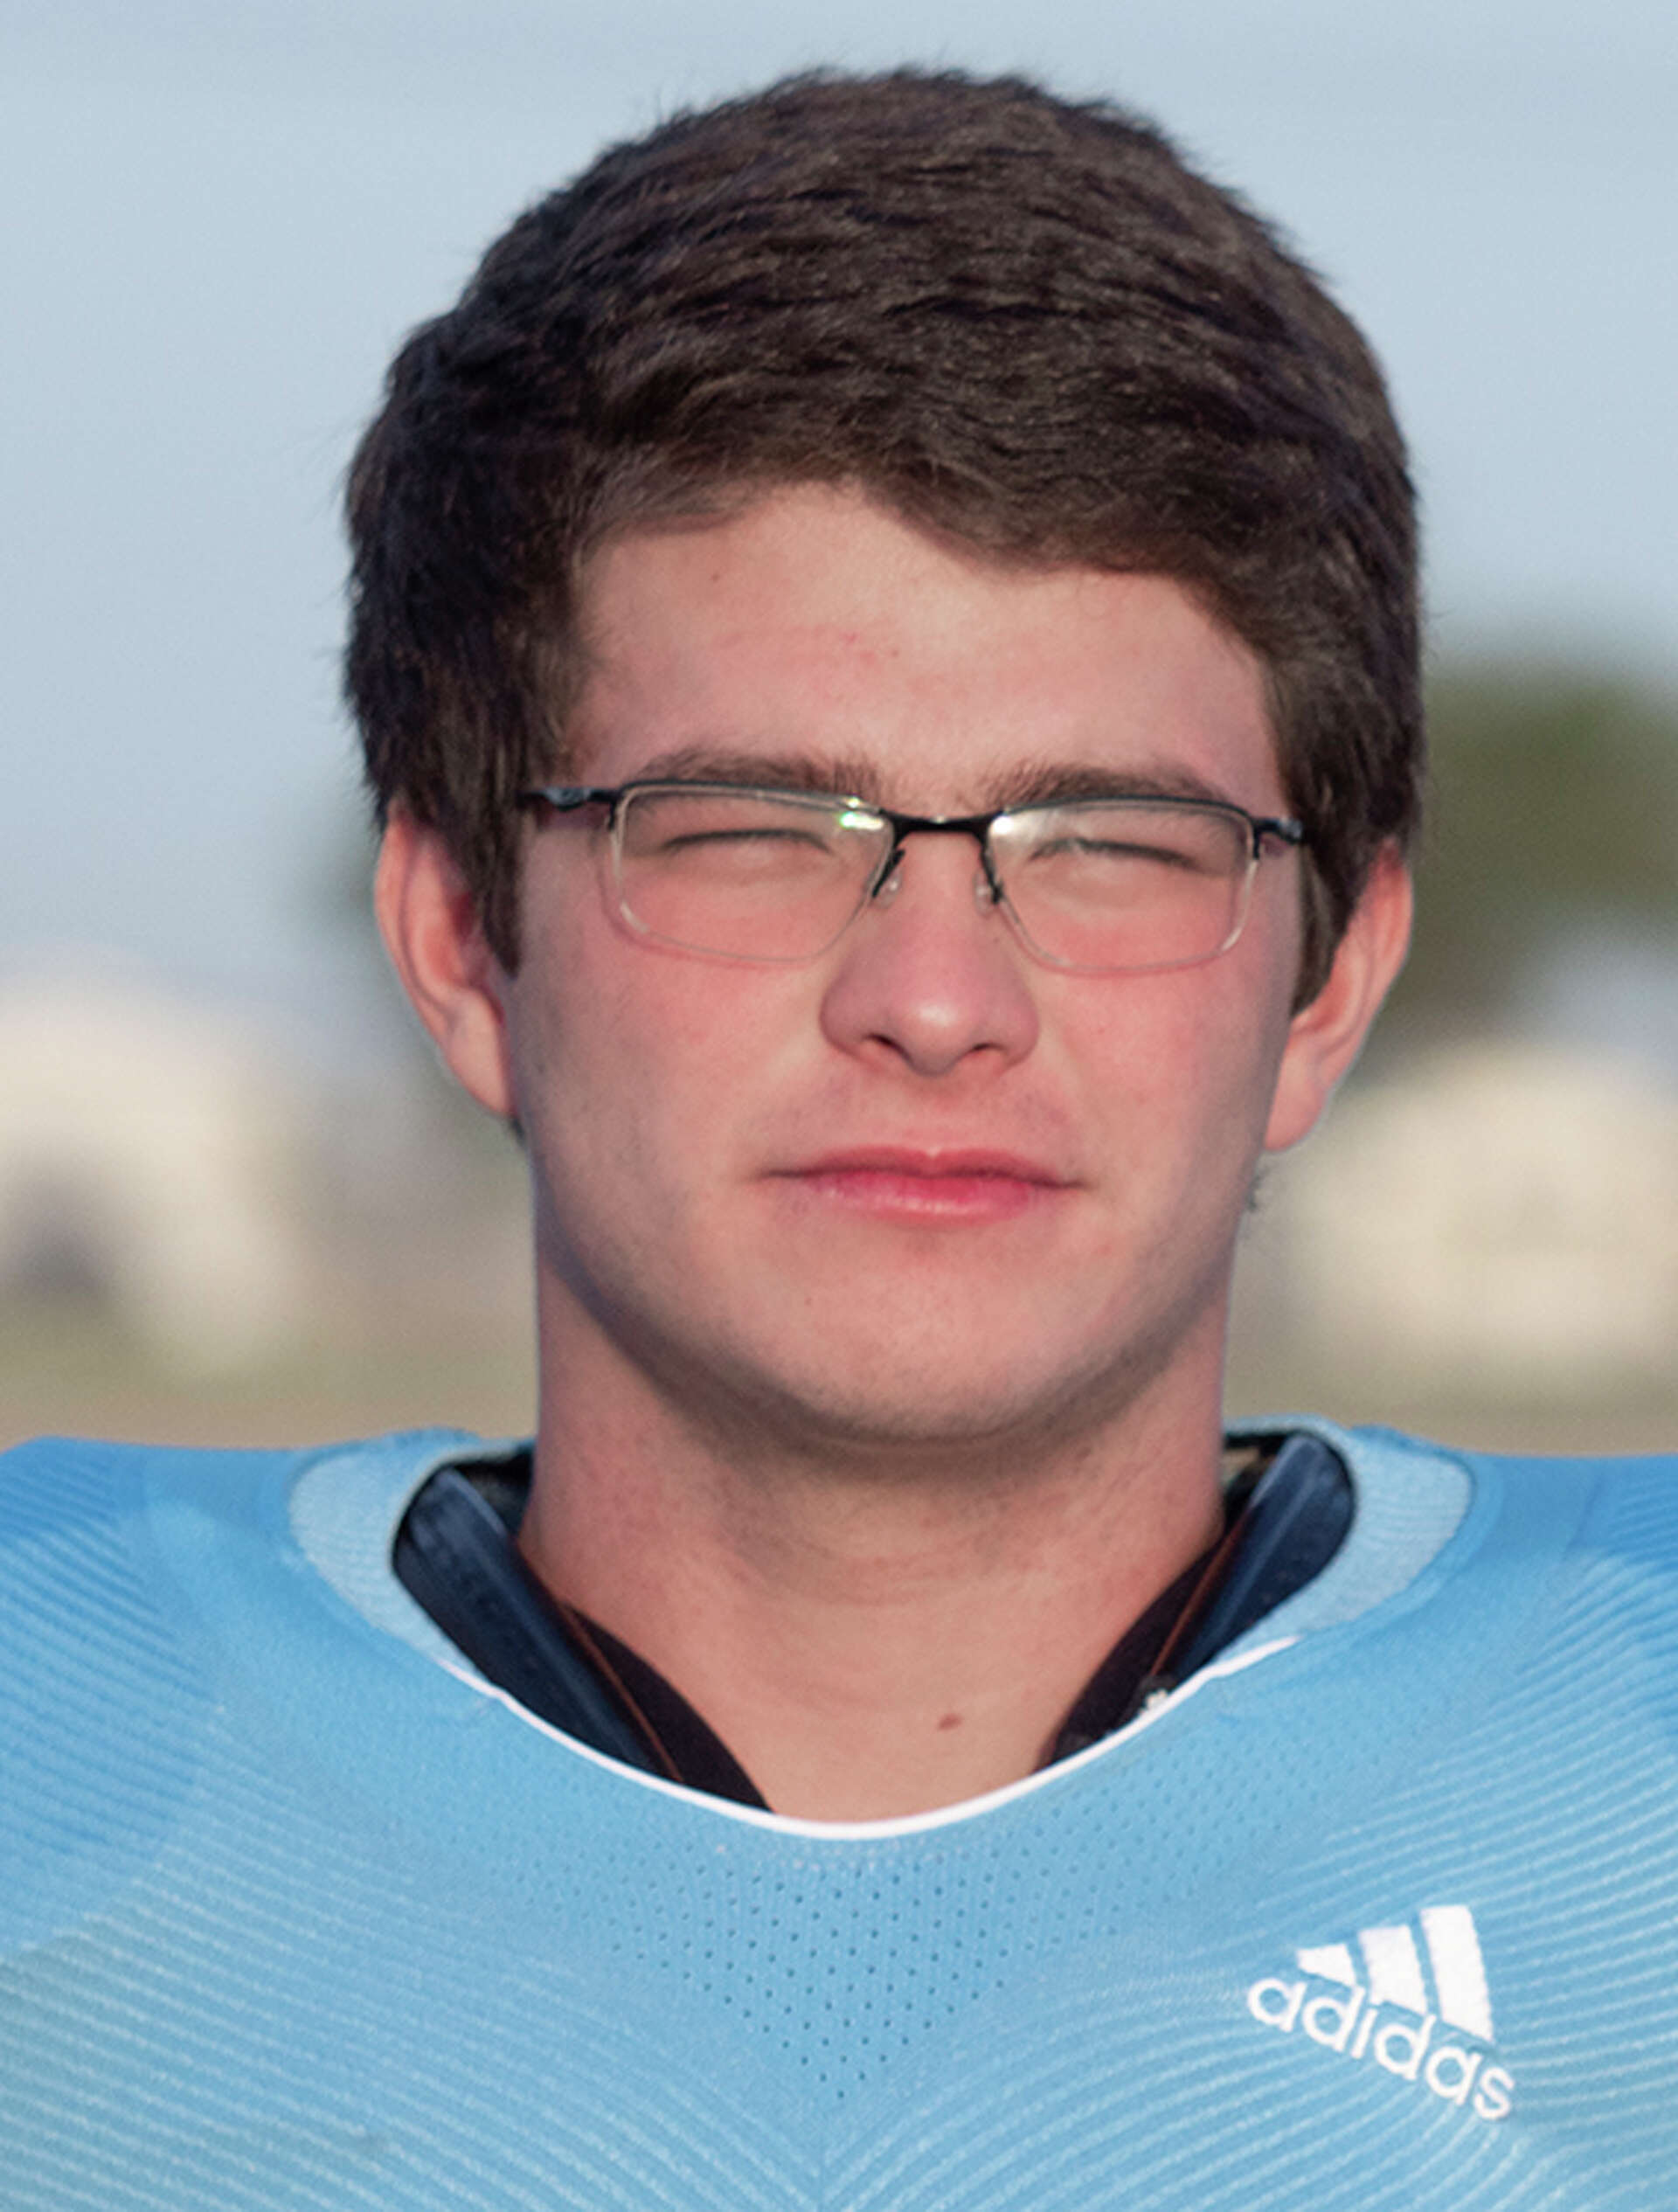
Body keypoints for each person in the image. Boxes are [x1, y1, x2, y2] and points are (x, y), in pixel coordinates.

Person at [3, 67, 1675, 2210]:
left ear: (1329, 979)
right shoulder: (50, 1707)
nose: (938, 996)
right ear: (460, 940)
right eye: (751, 829)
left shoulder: (1636, 1737)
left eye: (1114, 840)